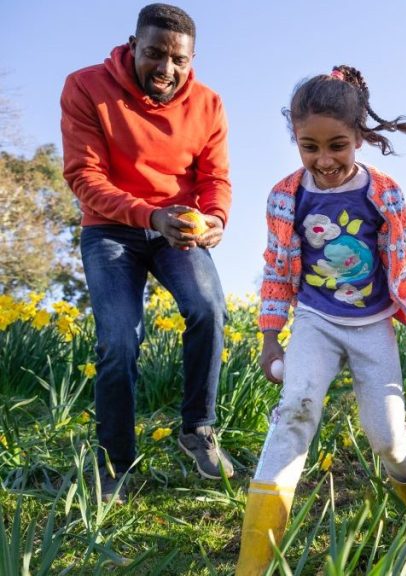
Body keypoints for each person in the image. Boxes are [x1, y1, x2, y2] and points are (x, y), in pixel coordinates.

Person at [237, 65, 406, 575]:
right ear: (295, 140)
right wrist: (271, 337)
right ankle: (253, 559)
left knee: (388, 437)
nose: (325, 159)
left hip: (374, 323)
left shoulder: (385, 193)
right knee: (294, 412)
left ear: (360, 137)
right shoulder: (285, 196)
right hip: (315, 319)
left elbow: (404, 264)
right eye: (309, 147)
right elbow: (278, 268)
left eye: (337, 144)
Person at [60, 3, 234, 504]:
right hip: (111, 230)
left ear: (192, 58)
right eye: (155, 54)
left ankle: (197, 430)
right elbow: (84, 177)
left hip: (178, 228)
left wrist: (216, 218)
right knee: (118, 338)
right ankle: (115, 461)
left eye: (178, 60)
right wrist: (148, 215)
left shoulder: (208, 104)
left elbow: (215, 178)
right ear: (133, 45)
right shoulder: (85, 87)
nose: (166, 69)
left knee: (209, 308)